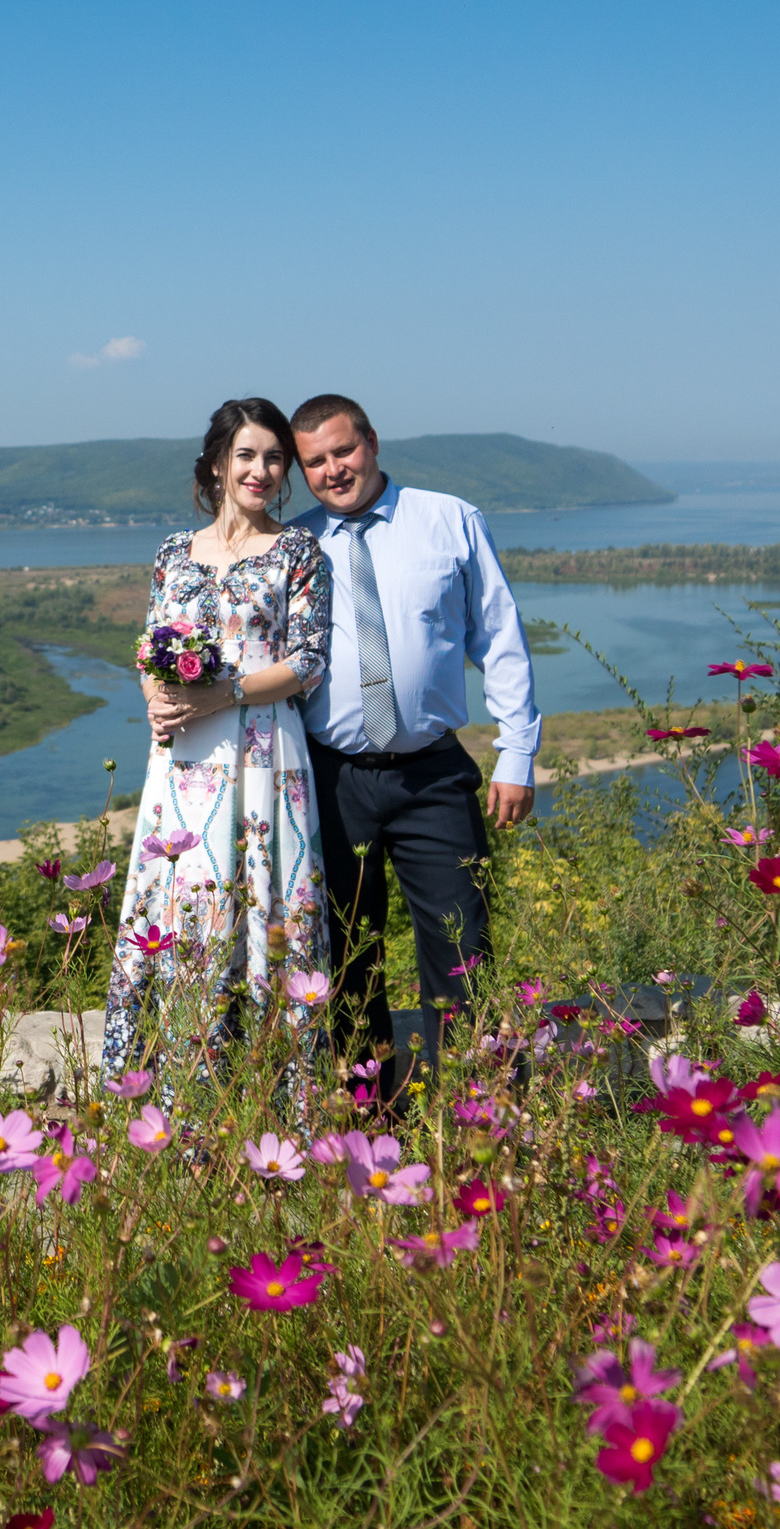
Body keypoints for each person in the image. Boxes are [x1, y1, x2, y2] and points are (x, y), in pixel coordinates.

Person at [286, 394, 539, 1088]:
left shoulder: (448, 519)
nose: (334, 470)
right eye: (316, 462)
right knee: (344, 956)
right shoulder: (294, 546)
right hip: (331, 781)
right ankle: (367, 1120)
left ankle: (479, 1113)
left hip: (433, 776)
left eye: (344, 450)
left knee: (463, 950)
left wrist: (516, 755)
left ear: (371, 440)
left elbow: (501, 637)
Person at [103, 398, 332, 1085]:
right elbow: (149, 645)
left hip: (264, 749)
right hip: (183, 757)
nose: (260, 470)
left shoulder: (297, 550)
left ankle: (272, 1086)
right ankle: (174, 1083)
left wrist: (222, 695)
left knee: (264, 900)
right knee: (185, 899)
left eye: (272, 458)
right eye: (246, 455)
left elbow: (310, 660)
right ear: (215, 464)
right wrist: (156, 704)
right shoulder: (175, 550)